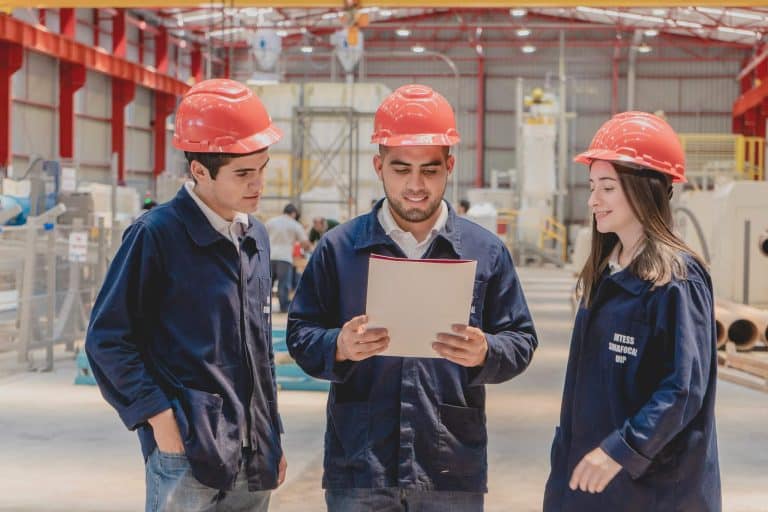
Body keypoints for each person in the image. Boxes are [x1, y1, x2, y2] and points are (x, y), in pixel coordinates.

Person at [286, 84, 538, 511]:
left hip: (450, 466)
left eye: (430, 170)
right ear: (379, 165)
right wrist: (339, 346)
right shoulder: (339, 249)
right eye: (401, 169)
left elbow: (521, 339)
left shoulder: (485, 252)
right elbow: (300, 334)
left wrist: (486, 350)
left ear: (449, 166)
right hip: (360, 468)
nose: (416, 185)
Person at [85, 79, 287, 512]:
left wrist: (272, 435)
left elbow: (259, 348)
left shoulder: (255, 237)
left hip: (254, 458)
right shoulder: (156, 236)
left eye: (262, 168)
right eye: (243, 173)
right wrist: (160, 420)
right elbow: (107, 340)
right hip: (187, 452)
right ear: (199, 170)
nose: (259, 184)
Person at [543, 111, 720, 511]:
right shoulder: (607, 273)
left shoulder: (676, 280)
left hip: (653, 489)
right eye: (592, 187)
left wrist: (622, 449)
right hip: (591, 480)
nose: (593, 201)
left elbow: (682, 389)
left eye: (607, 187)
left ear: (644, 190)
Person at [265, 204, 311, 313]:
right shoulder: (294, 224)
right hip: (284, 258)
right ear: (294, 213)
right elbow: (305, 243)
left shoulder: (271, 222)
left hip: (269, 257)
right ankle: (283, 308)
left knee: (267, 284)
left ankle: (263, 307)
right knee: (283, 285)